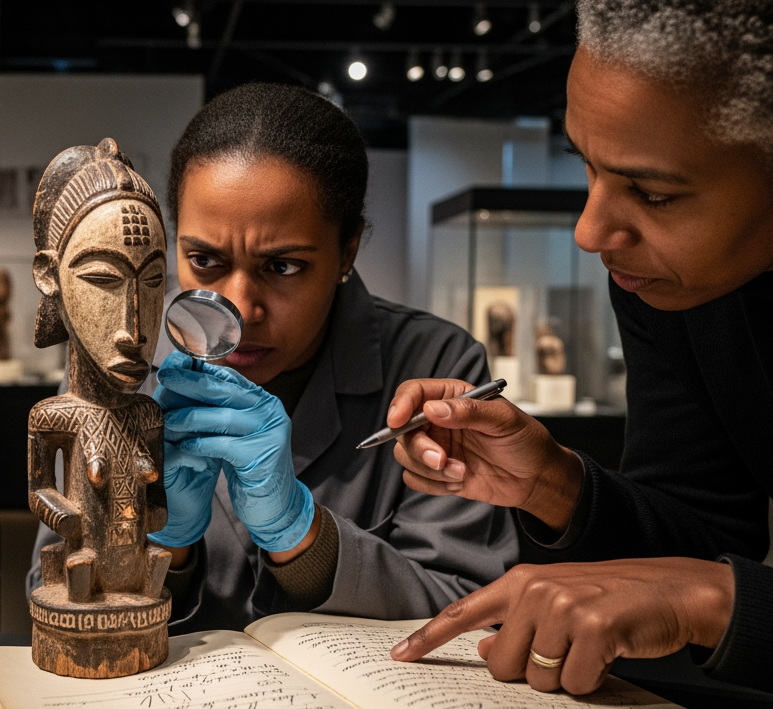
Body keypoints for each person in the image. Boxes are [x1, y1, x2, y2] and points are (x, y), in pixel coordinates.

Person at [387, 0, 773, 709]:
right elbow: (702, 532)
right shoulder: (669, 281)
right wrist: (556, 484)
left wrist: (716, 603)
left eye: (653, 193)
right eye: (586, 167)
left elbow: (702, 586)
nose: (591, 231)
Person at [30, 83, 516, 632]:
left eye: (282, 267)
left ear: (347, 251)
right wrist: (165, 543)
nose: (239, 311)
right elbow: (50, 590)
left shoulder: (439, 361)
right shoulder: (120, 362)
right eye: (204, 260)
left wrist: (303, 537)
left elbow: (474, 607)